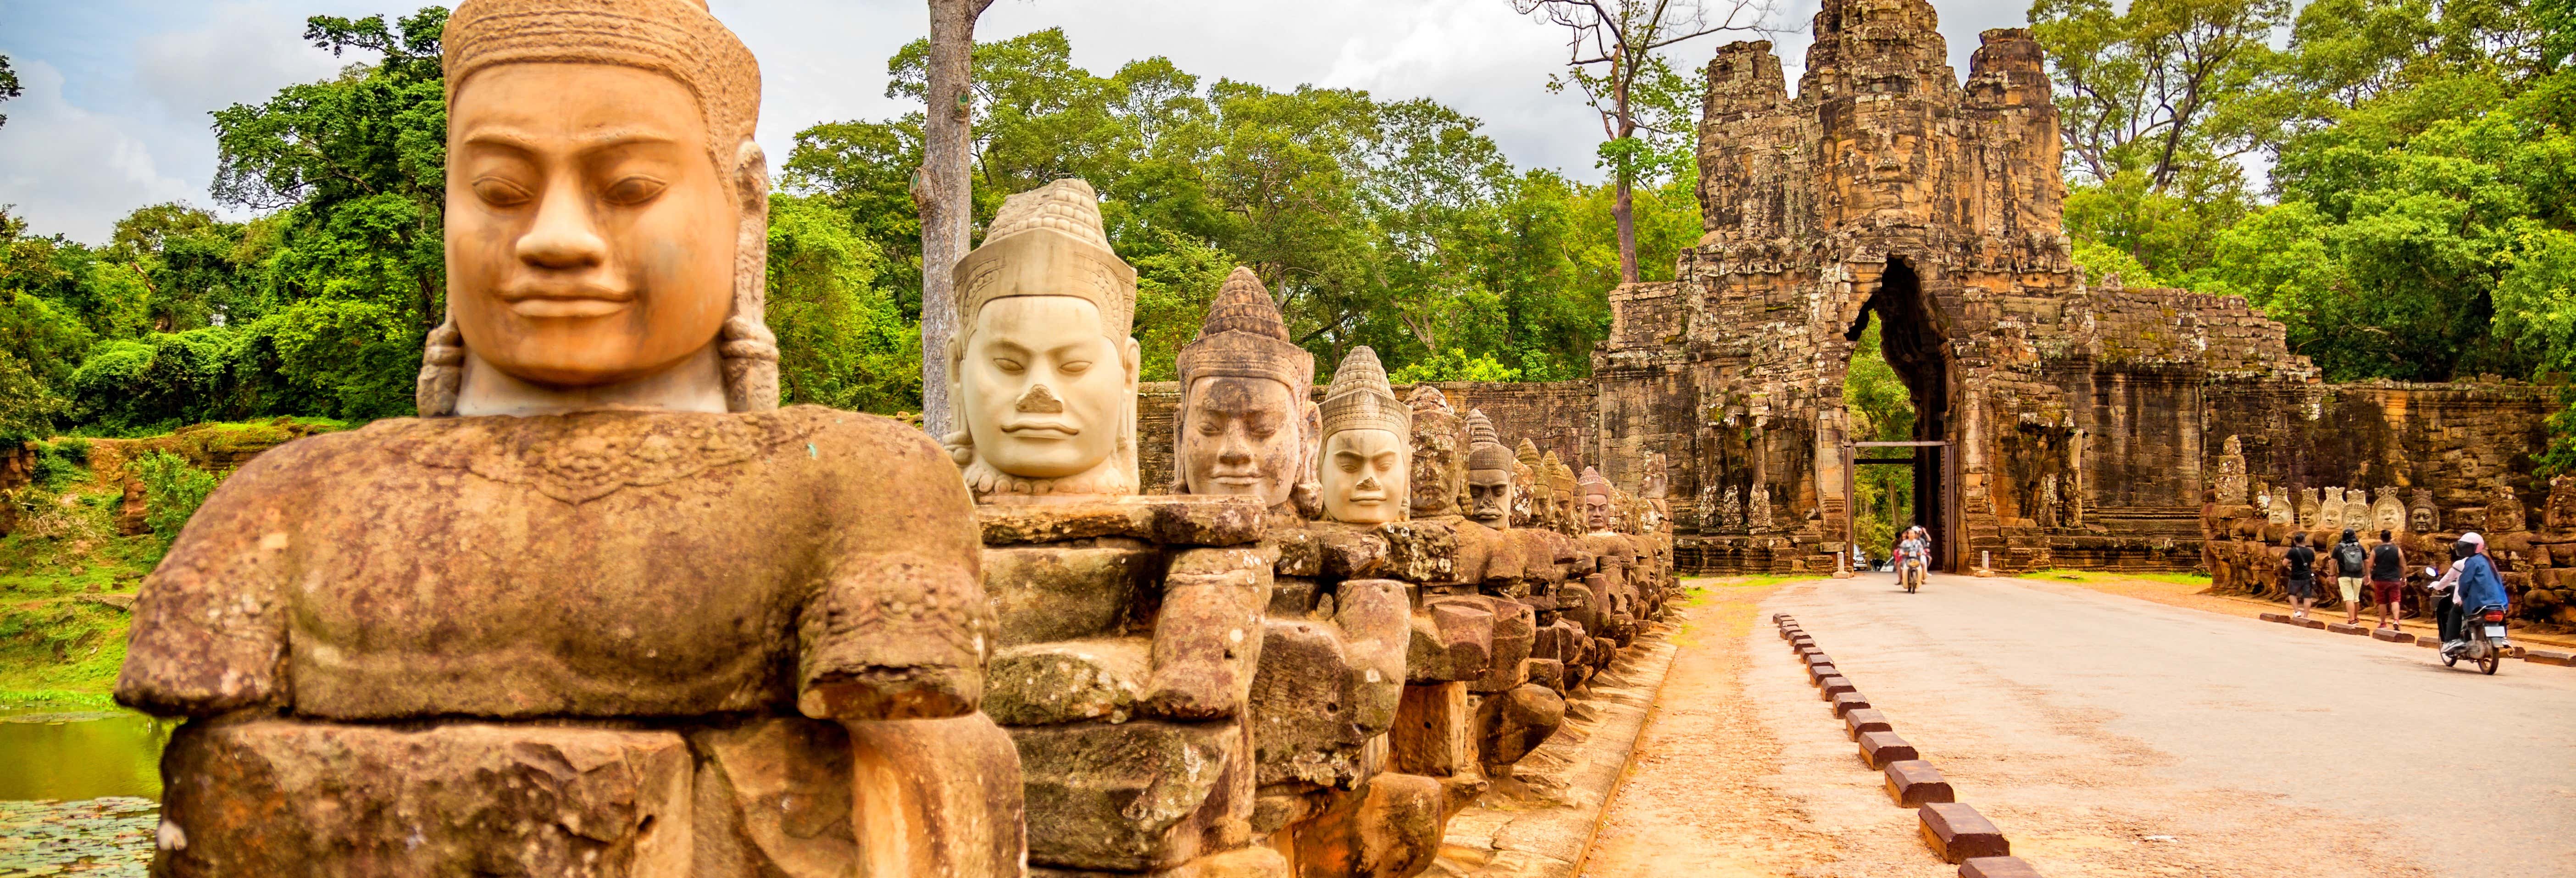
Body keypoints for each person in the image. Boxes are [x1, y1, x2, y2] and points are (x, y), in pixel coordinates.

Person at [2369, 529, 2406, 631]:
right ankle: (2396, 620)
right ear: (2391, 538)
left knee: (2382, 602)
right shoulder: (2397, 550)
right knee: (2395, 600)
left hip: (2380, 579)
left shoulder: (2375, 550)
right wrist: (2403, 578)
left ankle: (2383, 623)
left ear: (2381, 539)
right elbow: (2402, 566)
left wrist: (2369, 575)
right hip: (2394, 579)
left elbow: (2370, 565)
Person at [2329, 529, 2369, 625]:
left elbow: (2333, 563)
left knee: (2348, 598)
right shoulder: (2359, 547)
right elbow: (2366, 562)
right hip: (2358, 575)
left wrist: (2332, 575)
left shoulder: (2338, 548)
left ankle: (2351, 620)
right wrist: (2368, 575)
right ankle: (2355, 617)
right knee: (2356, 598)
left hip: (2344, 575)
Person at [2281, 532, 2317, 619]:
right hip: (2307, 576)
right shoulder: (2310, 552)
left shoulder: (2293, 551)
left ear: (2295, 541)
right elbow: (2313, 563)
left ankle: (2297, 611)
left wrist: (2290, 565)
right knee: (2307, 596)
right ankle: (2306, 616)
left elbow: (2284, 563)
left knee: (2292, 594)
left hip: (2296, 576)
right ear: (2305, 541)